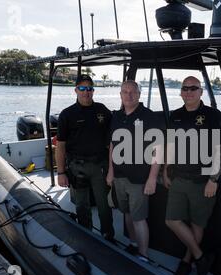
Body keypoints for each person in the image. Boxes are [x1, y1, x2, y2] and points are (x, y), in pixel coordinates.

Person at [164, 76, 221, 275]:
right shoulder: (175, 116)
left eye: (194, 88)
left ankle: (187, 261)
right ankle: (201, 258)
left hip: (203, 181)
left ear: (201, 92)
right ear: (181, 92)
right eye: (185, 88)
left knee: (197, 224)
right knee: (171, 220)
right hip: (178, 178)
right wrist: (166, 170)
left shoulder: (213, 116)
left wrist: (214, 179)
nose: (189, 91)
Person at [106, 80, 161, 261]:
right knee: (127, 213)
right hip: (119, 176)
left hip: (139, 178)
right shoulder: (116, 116)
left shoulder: (149, 116)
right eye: (125, 92)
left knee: (139, 218)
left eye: (132, 92)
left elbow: (158, 149)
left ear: (139, 94)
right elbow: (113, 146)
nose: (128, 95)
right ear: (120, 94)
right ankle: (133, 244)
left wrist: (153, 177)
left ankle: (143, 255)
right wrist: (110, 171)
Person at [56, 74, 115, 242]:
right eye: (82, 88)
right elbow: (60, 146)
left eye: (89, 88)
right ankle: (86, 236)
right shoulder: (67, 114)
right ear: (75, 90)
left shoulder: (102, 111)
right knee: (81, 205)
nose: (86, 92)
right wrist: (61, 172)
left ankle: (108, 236)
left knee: (104, 205)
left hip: (100, 166)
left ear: (93, 91)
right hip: (77, 167)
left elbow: (113, 139)